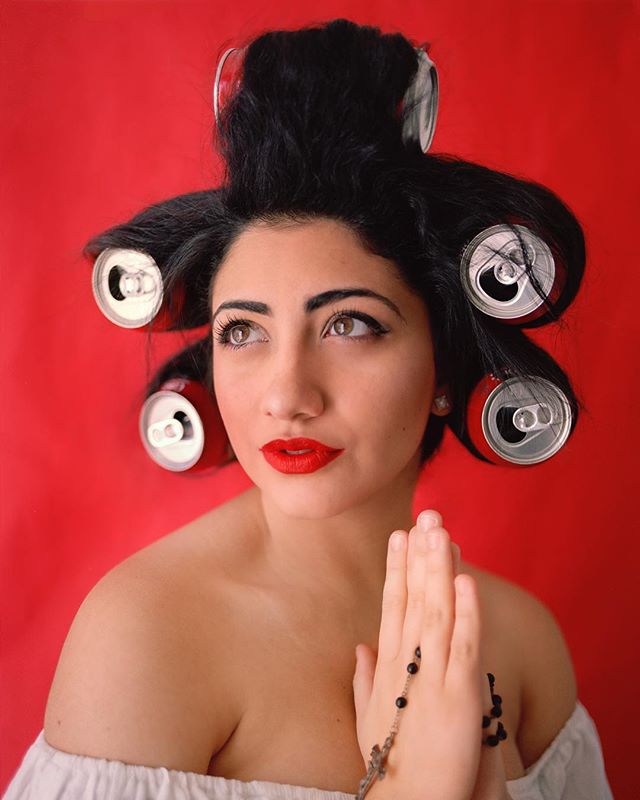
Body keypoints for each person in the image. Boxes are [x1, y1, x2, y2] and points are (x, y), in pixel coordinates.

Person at [3, 18, 613, 800]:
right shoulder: (149, 636)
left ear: (445, 371)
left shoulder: (522, 646)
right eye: (243, 332)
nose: (288, 394)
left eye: (349, 324)